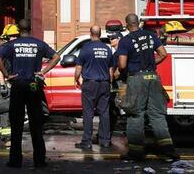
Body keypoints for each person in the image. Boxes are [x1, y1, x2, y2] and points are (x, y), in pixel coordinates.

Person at [0, 18, 60, 169]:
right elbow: (57, 56)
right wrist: (42, 71)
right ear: (30, 29)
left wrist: (6, 75)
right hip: (33, 85)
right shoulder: (38, 44)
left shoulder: (11, 45)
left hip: (18, 84)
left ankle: (15, 160)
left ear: (18, 30)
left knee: (16, 124)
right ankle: (39, 160)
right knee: (36, 124)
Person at [117, 13, 178, 162]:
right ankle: (169, 152)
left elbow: (123, 64)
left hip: (137, 79)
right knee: (157, 115)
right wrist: (150, 63)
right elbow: (163, 54)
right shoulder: (151, 36)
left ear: (126, 25)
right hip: (153, 77)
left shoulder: (125, 41)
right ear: (138, 23)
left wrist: (123, 68)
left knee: (135, 114)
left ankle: (136, 153)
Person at [74, 25, 114, 151]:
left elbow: (79, 68)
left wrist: (76, 79)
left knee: (88, 113)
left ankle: (87, 142)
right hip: (104, 83)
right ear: (100, 34)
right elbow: (111, 69)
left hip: (90, 84)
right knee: (104, 113)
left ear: (91, 33)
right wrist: (109, 82)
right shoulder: (107, 49)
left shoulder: (86, 48)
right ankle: (105, 141)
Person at [0, 23, 21, 146]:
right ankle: (6, 137)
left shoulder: (19, 48)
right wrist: (2, 85)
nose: (14, 38)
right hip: (7, 83)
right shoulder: (3, 49)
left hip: (18, 83)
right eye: (12, 36)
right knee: (5, 109)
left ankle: (15, 136)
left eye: (16, 36)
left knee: (17, 111)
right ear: (6, 37)